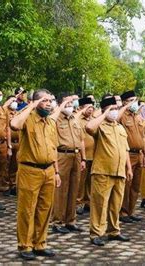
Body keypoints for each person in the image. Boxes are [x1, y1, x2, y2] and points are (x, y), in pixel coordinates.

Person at [10, 89, 61, 260]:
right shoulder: (27, 118)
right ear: (36, 102)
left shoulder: (51, 122)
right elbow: (14, 125)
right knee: (27, 210)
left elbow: (53, 149)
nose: (48, 104)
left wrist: (56, 171)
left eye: (50, 101)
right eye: (45, 100)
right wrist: (31, 104)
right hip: (29, 170)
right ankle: (25, 245)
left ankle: (40, 243)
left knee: (45, 209)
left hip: (48, 170)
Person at [86, 96, 133, 246]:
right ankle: (96, 233)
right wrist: (104, 114)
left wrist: (129, 168)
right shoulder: (100, 126)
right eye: (112, 109)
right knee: (100, 204)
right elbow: (89, 128)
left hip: (119, 172)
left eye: (116, 109)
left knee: (115, 204)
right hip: (103, 172)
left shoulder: (119, 127)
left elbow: (125, 149)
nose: (115, 112)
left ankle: (114, 231)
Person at [51, 95, 86, 234]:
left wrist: (83, 158)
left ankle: (70, 220)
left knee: (74, 189)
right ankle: (57, 221)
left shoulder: (74, 119)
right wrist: (61, 106)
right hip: (62, 155)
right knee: (61, 190)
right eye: (67, 103)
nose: (70, 105)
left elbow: (81, 139)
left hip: (76, 155)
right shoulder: (55, 119)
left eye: (72, 103)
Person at [118, 90, 145, 223]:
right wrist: (123, 107)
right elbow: (116, 120)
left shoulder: (137, 116)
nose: (135, 103)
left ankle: (131, 210)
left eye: (136, 100)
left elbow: (142, 136)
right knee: (127, 184)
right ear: (125, 102)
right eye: (131, 101)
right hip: (128, 154)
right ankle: (123, 212)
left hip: (139, 153)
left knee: (136, 185)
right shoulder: (122, 116)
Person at [76, 97, 96, 215]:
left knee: (90, 181)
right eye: (87, 107)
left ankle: (88, 202)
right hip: (82, 155)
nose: (90, 110)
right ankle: (78, 203)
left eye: (92, 107)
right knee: (80, 181)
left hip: (94, 155)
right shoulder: (78, 120)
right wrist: (83, 157)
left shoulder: (94, 120)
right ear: (81, 108)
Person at [1, 96, 19, 196]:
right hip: (8, 142)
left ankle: (13, 185)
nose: (14, 103)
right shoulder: (4, 112)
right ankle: (5, 186)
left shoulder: (17, 113)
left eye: (15, 101)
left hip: (17, 142)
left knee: (14, 165)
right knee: (6, 165)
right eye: (12, 101)